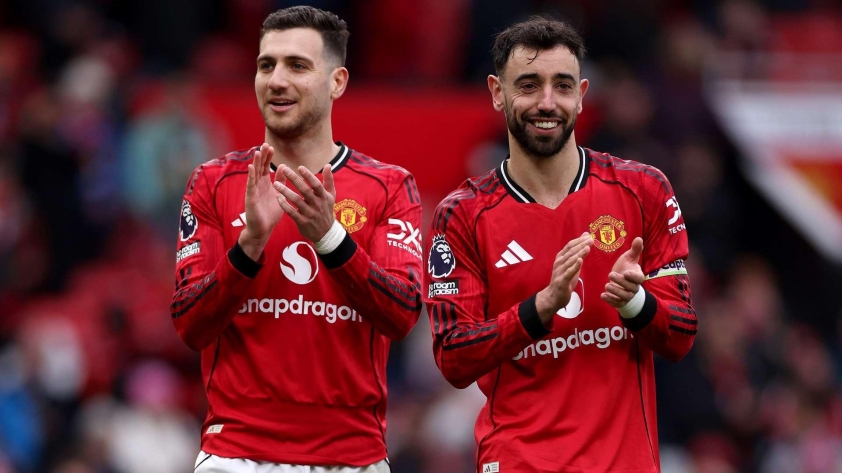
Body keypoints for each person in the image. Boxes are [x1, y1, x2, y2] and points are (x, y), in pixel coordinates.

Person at [424, 17, 697, 473]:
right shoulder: (462, 215)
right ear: (497, 92)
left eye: (563, 86)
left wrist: (635, 304)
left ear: (582, 95)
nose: (547, 102)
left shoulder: (644, 190)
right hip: (519, 463)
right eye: (529, 85)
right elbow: (454, 357)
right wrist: (539, 308)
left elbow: (682, 335)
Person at [171, 6, 423, 472]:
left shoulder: (389, 186)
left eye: (297, 66)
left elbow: (402, 314)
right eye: (266, 65)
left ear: (337, 82)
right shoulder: (213, 182)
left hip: (351, 456)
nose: (276, 80)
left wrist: (330, 238)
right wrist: (250, 244)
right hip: (236, 455)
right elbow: (190, 326)